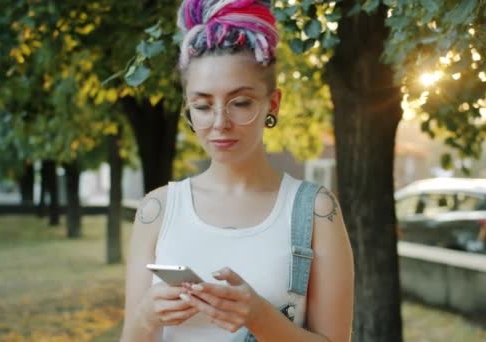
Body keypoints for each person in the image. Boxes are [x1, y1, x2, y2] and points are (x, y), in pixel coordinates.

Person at [120, 0, 354, 341]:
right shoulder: (157, 210)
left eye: (241, 102)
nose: (220, 124)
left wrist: (260, 317)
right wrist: (145, 317)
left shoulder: (315, 210)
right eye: (202, 106)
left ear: (272, 103)